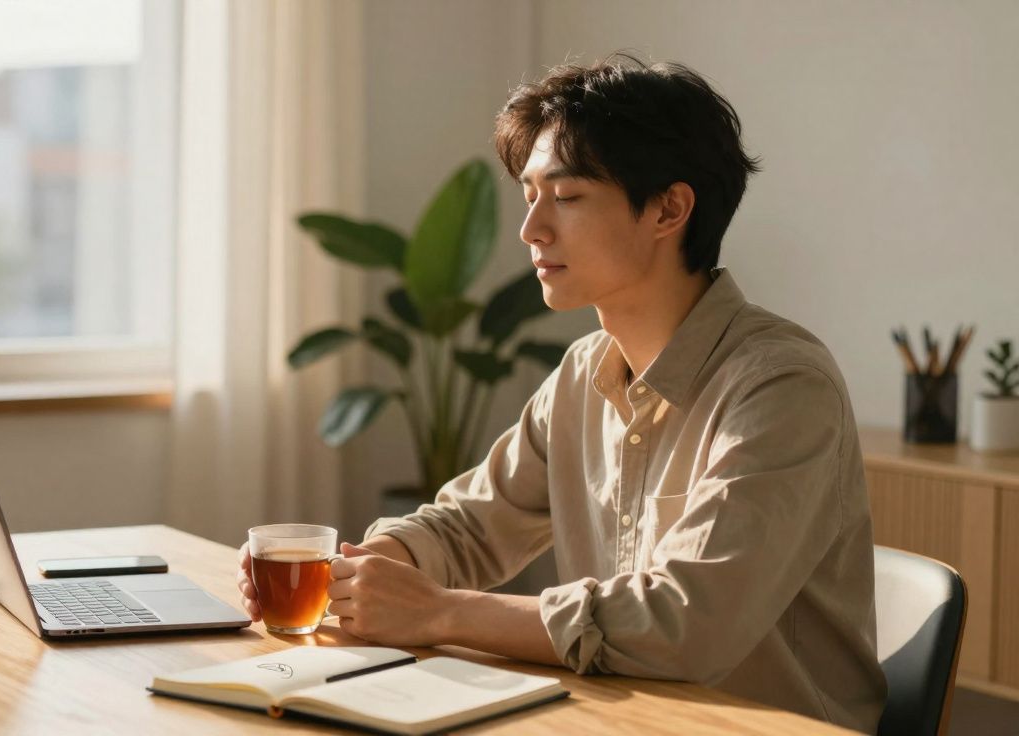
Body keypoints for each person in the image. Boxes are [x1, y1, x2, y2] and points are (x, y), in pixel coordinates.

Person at [236, 53, 886, 732]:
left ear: (670, 209)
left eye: (567, 198)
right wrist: (365, 573)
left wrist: (440, 612)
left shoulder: (780, 386)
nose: (531, 231)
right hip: (619, 717)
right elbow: (470, 525)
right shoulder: (584, 374)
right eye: (529, 197)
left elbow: (686, 622)